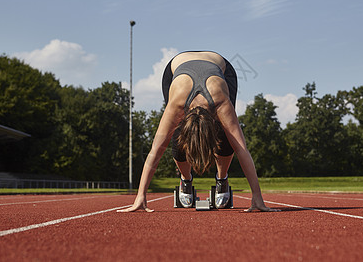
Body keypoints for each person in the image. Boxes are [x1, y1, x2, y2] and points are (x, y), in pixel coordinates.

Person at [118, 51, 276, 212]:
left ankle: (222, 179)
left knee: (228, 136)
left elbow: (241, 149)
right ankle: (185, 180)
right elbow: (155, 151)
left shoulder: (220, 101)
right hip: (175, 68)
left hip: (222, 68)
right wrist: (140, 196)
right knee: (177, 136)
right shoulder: (177, 104)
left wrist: (257, 196)